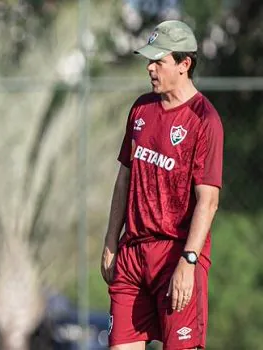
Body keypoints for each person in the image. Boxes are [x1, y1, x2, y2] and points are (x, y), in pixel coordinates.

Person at [100, 20, 223, 350]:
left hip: (175, 255)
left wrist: (189, 261)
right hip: (132, 253)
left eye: (159, 61)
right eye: (148, 61)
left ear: (184, 65)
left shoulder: (204, 120)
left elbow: (207, 202)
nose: (150, 68)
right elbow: (124, 178)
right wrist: (112, 240)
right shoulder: (141, 108)